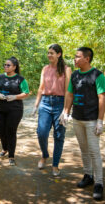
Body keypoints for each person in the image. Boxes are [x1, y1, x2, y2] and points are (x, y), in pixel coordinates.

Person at [60, 47, 105, 201]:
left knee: (94, 151)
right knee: (84, 149)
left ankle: (99, 183)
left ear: (87, 58)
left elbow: (102, 98)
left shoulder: (97, 75)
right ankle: (88, 175)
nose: (75, 59)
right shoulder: (74, 75)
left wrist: (100, 120)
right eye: (74, 56)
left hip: (91, 120)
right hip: (77, 118)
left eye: (77, 56)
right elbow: (70, 94)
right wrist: (65, 111)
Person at [32, 44, 72, 176]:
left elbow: (68, 91)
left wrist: (66, 111)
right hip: (45, 102)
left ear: (59, 54)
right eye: (48, 53)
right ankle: (44, 155)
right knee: (41, 133)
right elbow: (40, 88)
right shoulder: (45, 69)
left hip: (60, 103)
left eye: (52, 53)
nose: (49, 55)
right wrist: (36, 105)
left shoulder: (66, 70)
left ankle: (55, 165)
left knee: (59, 135)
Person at [0, 57, 29, 166]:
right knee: (1, 130)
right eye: (5, 65)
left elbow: (26, 93)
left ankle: (11, 155)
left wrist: (15, 97)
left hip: (15, 110)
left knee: (11, 131)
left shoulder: (20, 79)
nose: (5, 67)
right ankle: (4, 149)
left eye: (8, 65)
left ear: (14, 67)